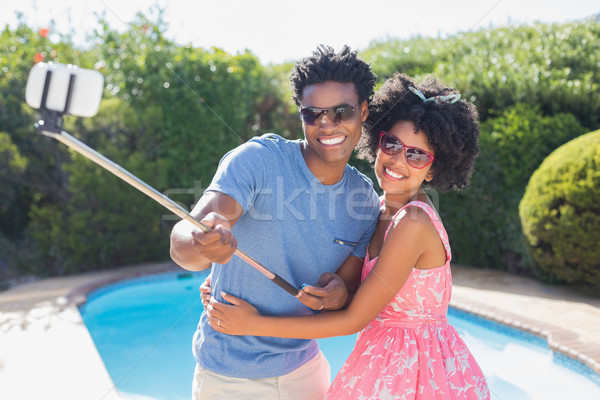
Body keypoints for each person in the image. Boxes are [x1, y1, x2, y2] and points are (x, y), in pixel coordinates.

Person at [207, 73, 491, 399]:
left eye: (416, 155)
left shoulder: (412, 222)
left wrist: (252, 325)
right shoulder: (378, 209)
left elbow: (354, 319)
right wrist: (229, 280)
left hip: (417, 371)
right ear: (378, 142)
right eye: (392, 144)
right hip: (381, 358)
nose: (398, 160)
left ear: (434, 169)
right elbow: (346, 285)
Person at [169, 45, 380, 399]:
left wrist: (337, 295)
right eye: (313, 113)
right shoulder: (258, 161)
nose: (326, 124)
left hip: (307, 371)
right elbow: (184, 242)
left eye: (341, 111)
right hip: (229, 378)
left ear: (362, 112)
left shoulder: (365, 202)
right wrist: (202, 242)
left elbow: (346, 294)